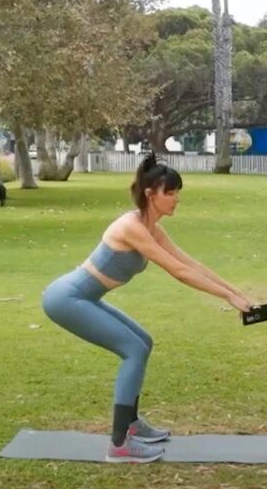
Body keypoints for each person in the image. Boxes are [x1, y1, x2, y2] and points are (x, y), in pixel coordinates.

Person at [42, 152, 253, 463]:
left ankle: (132, 425)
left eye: (177, 192)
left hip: (86, 298)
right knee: (133, 349)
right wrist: (226, 298)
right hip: (66, 299)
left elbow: (189, 263)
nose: (176, 199)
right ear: (150, 194)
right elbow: (178, 272)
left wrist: (237, 293)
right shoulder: (131, 227)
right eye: (170, 193)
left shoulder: (152, 227)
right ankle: (119, 444)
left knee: (144, 342)